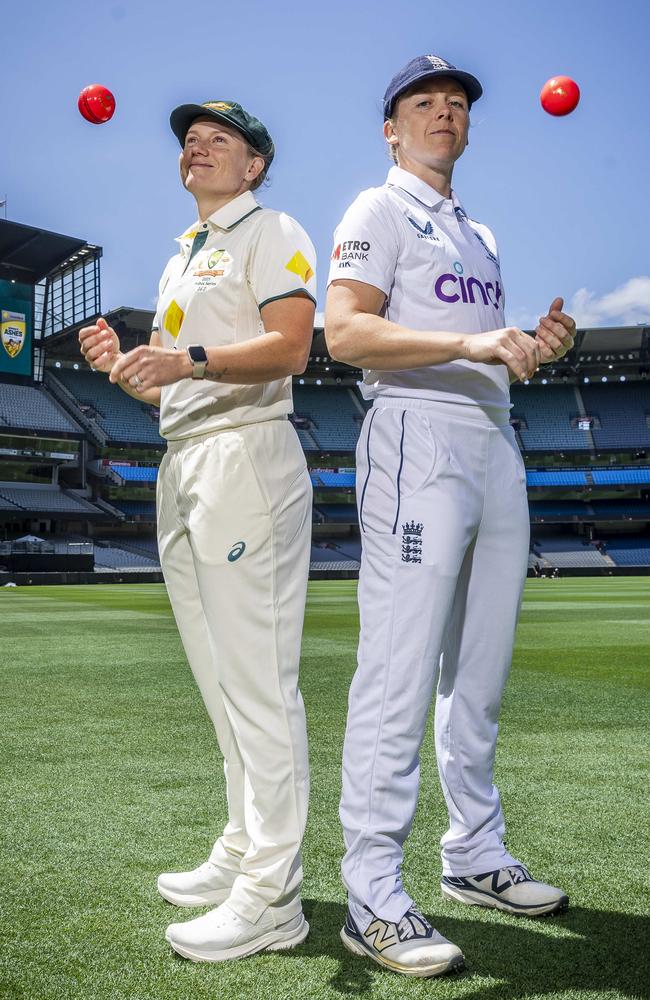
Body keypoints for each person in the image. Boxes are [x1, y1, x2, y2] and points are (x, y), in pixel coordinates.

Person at [325, 55, 576, 979]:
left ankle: (474, 853)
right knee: (396, 672)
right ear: (391, 129)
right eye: (424, 103)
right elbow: (345, 332)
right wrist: (472, 340)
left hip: (492, 440)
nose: (445, 113)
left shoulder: (480, 233)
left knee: (480, 673)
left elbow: (482, 350)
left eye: (458, 104)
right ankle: (372, 895)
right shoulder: (375, 209)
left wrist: (529, 348)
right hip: (415, 439)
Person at [79, 98, 317, 963]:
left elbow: (291, 347)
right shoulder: (187, 253)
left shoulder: (272, 229)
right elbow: (174, 387)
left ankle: (273, 898)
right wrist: (125, 368)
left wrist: (189, 360)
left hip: (246, 459)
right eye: (189, 140)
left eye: (219, 141)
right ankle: (244, 847)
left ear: (254, 165)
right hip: (185, 456)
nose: (197, 149)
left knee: (258, 683)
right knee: (220, 680)